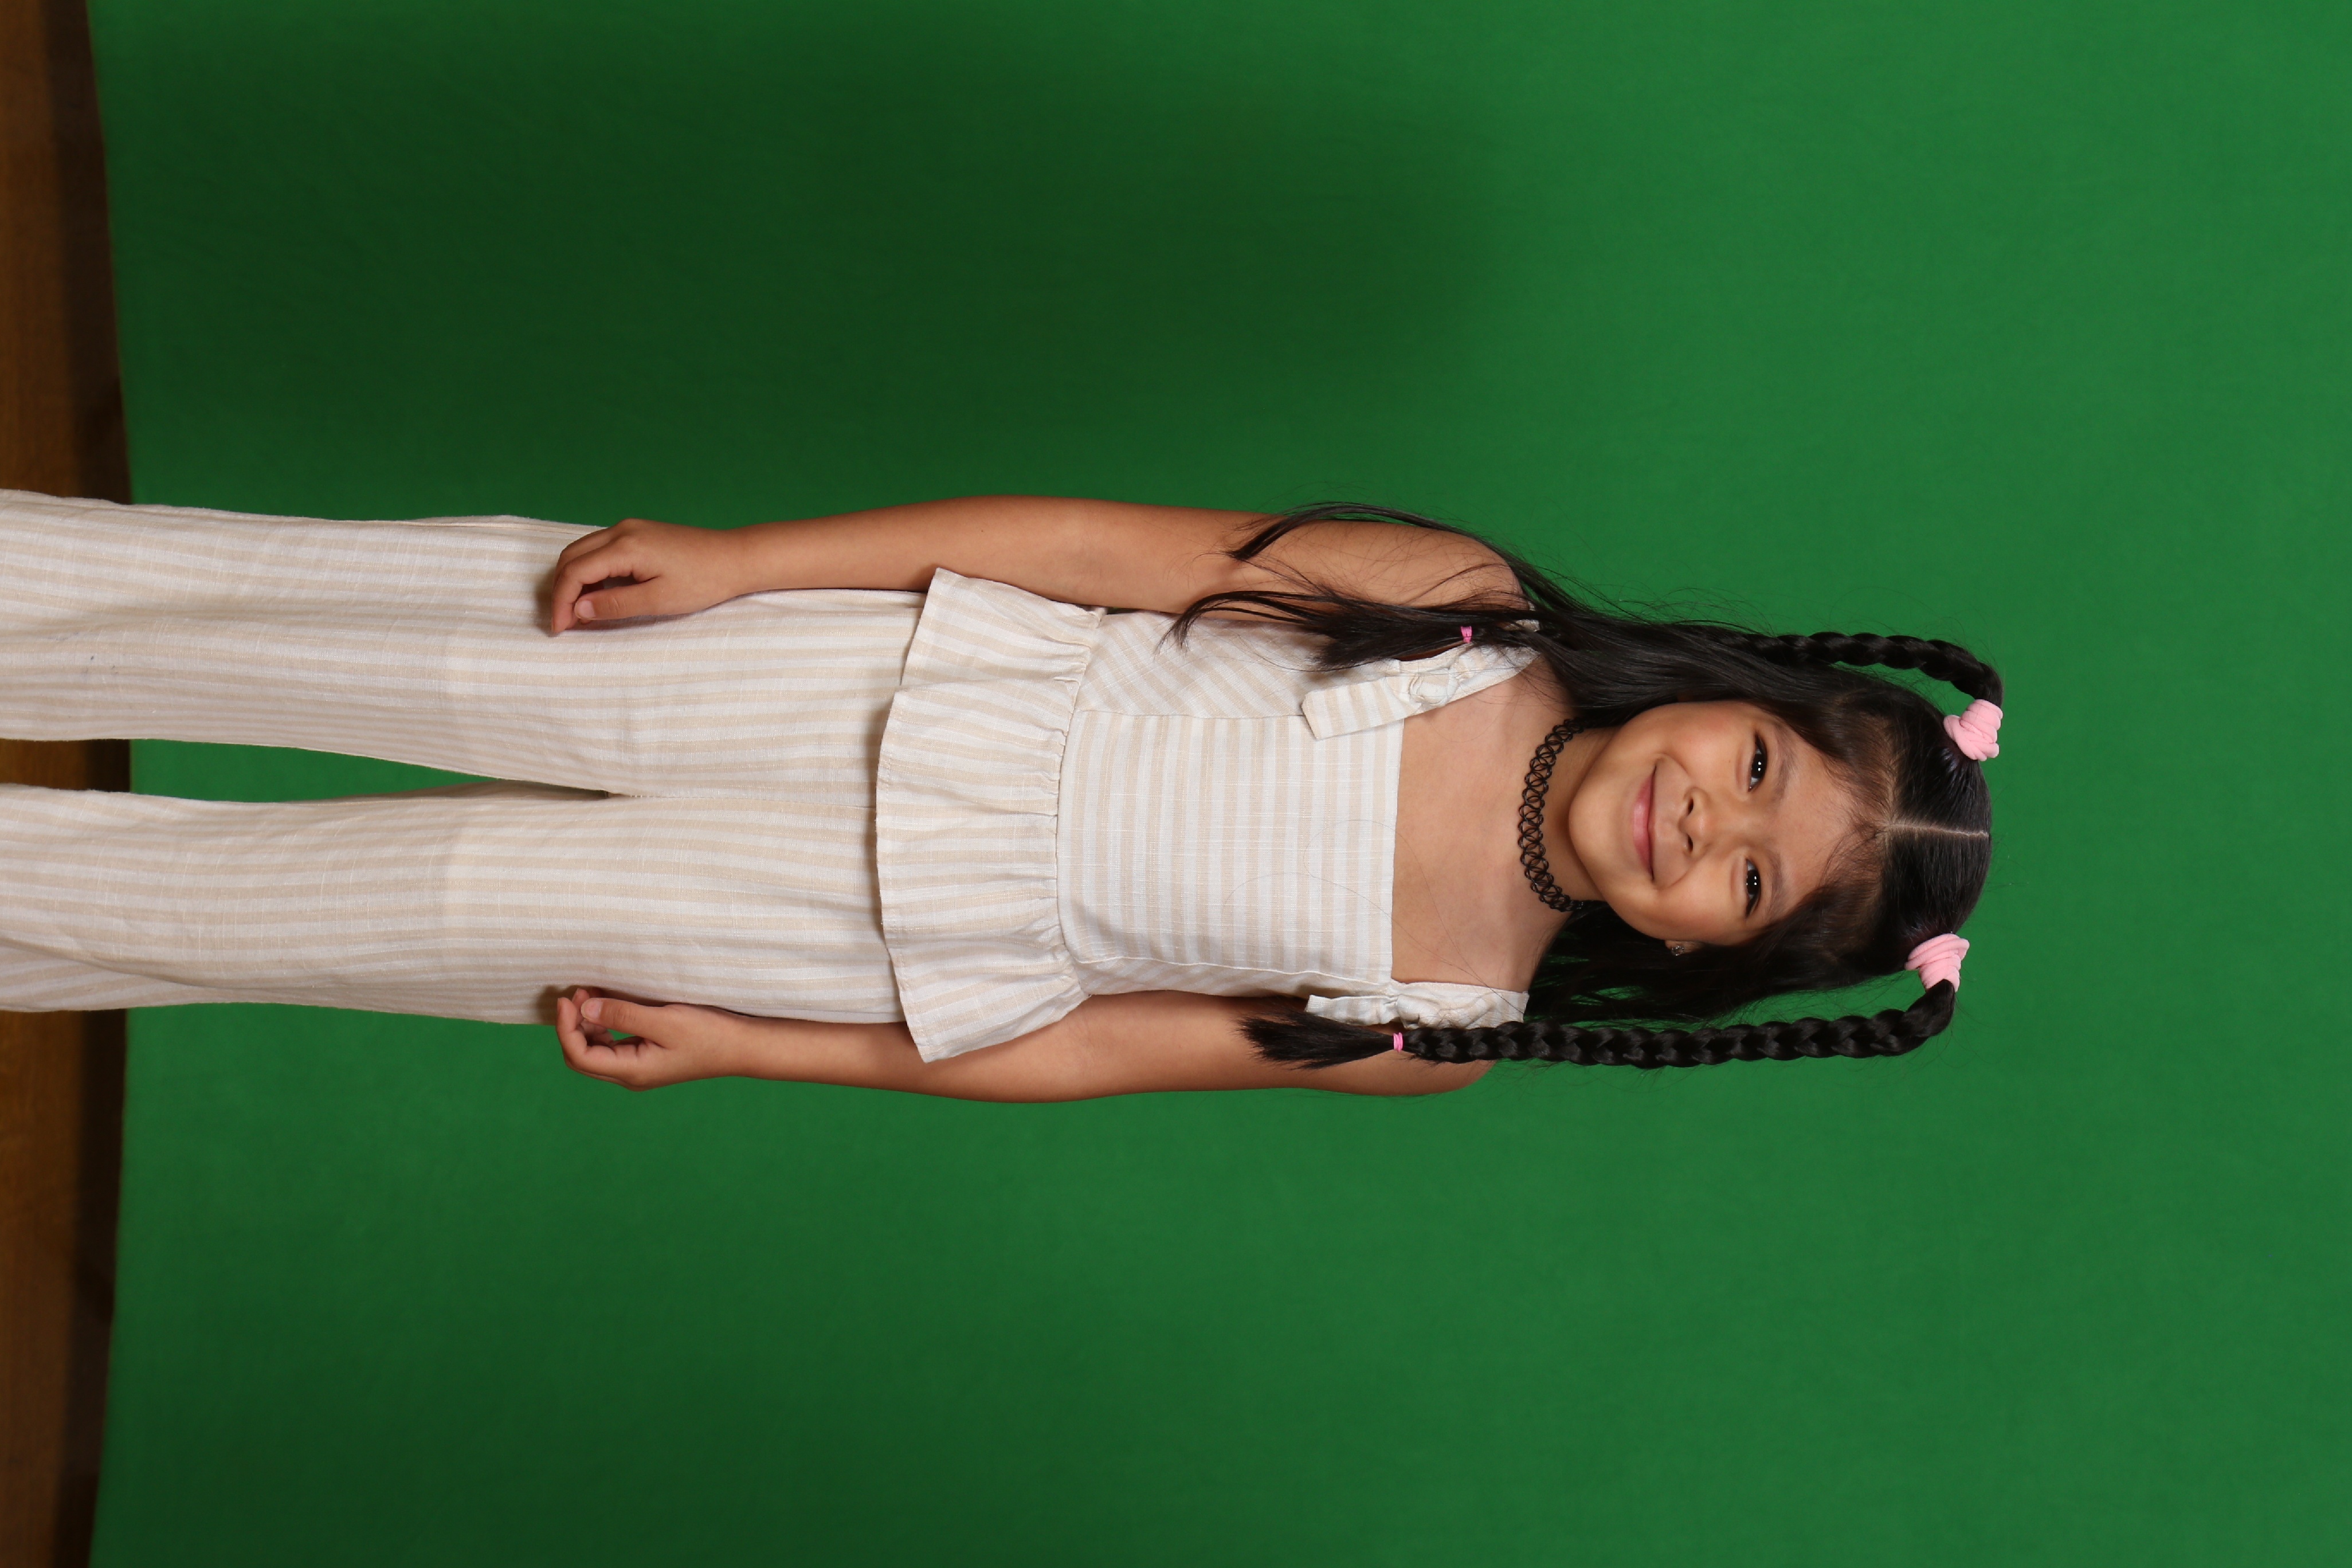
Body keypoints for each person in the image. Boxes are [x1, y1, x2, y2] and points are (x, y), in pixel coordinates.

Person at [0, 489, 1998, 1102]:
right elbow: (1102, 548)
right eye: (1756, 770)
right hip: (844, 676)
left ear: (1694, 954)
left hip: (838, 938)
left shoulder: (1442, 1022)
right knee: (384, 642)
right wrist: (746, 559)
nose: (1705, 824)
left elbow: (1095, 1050)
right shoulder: (1461, 614)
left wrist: (757, 1048)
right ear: (1738, 692)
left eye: (1748, 884)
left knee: (380, 904)